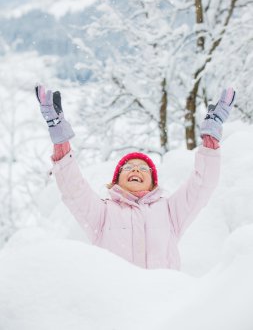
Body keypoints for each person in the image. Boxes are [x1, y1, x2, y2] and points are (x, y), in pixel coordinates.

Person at [35, 86, 236, 269]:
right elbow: (74, 189)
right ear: (116, 180)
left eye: (143, 168)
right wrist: (59, 137)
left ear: (153, 183)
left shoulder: (169, 211)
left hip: (165, 301)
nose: (136, 170)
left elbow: (202, 184)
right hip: (117, 302)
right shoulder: (103, 214)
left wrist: (211, 137)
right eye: (128, 167)